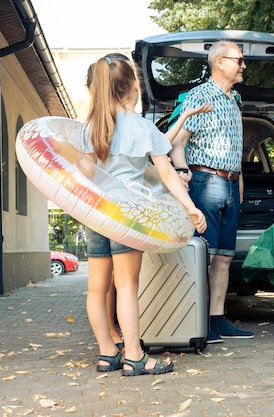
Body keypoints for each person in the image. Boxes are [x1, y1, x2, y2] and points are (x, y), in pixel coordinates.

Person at [83, 55, 208, 376]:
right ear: (133, 87)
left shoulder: (91, 128)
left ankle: (107, 353)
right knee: (126, 285)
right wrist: (190, 207)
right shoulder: (141, 127)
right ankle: (135, 356)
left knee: (97, 288)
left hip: (96, 216)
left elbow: (84, 173)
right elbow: (166, 173)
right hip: (127, 216)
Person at [170, 41, 254, 344]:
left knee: (224, 257)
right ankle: (198, 321)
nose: (244, 66)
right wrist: (182, 172)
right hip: (205, 182)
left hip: (230, 184)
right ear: (220, 62)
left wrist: (240, 178)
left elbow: (234, 143)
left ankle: (218, 321)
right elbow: (176, 142)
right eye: (239, 60)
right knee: (204, 256)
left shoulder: (236, 99)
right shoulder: (200, 95)